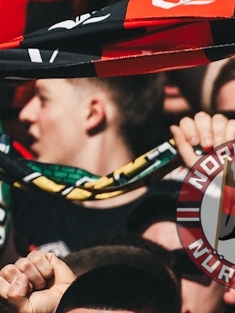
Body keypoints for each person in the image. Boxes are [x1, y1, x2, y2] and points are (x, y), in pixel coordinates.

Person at [12, 75, 164, 255]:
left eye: (43, 99)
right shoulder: (27, 206)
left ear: (92, 113)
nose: (25, 114)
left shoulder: (164, 220)